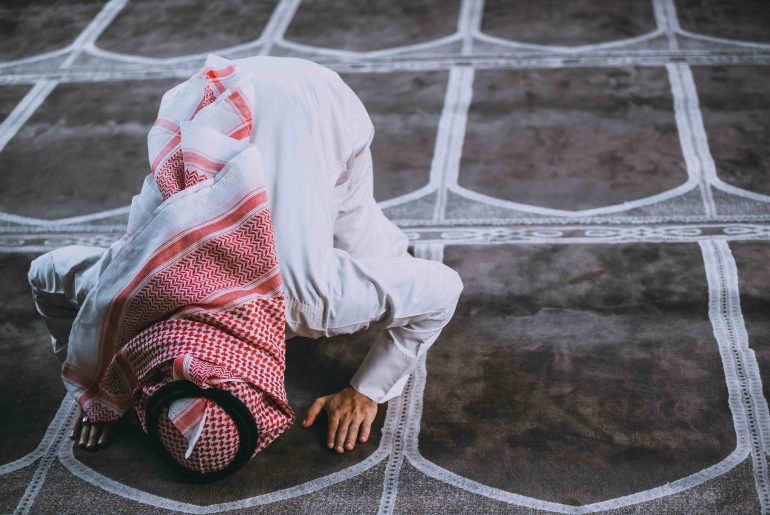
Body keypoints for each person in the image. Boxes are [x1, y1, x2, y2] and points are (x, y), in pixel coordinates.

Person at [27, 54, 464, 470]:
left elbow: (444, 289)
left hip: (311, 98)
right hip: (222, 92)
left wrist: (366, 391)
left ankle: (382, 254)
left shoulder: (313, 300)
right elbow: (45, 274)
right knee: (344, 222)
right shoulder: (127, 290)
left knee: (353, 224)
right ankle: (376, 249)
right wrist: (96, 384)